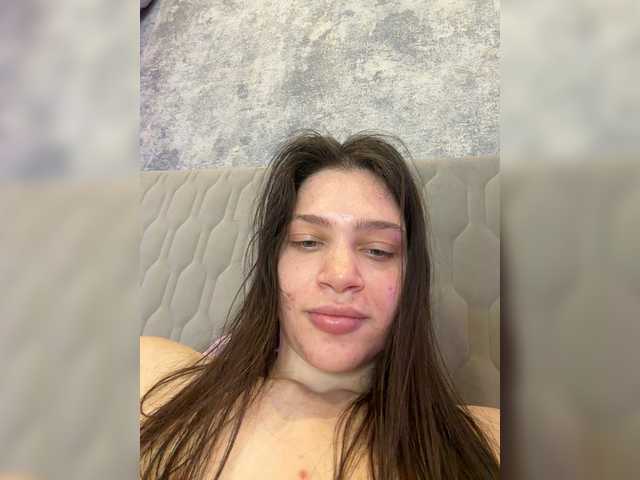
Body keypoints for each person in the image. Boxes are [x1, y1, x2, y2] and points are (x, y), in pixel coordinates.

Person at [140, 131, 500, 480]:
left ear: (411, 281)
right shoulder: (149, 373)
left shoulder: (489, 441)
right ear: (272, 265)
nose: (340, 276)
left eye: (378, 250)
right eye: (308, 242)